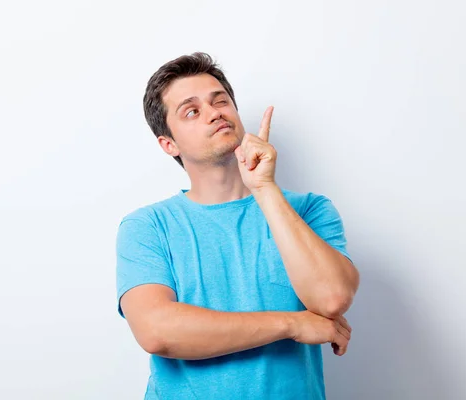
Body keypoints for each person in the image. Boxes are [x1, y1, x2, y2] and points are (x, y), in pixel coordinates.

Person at [116, 52, 360, 399]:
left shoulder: (309, 210)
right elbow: (158, 331)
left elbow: (332, 298)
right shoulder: (147, 226)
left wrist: (265, 188)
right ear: (168, 143)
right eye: (192, 111)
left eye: (221, 101)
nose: (215, 112)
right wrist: (292, 324)